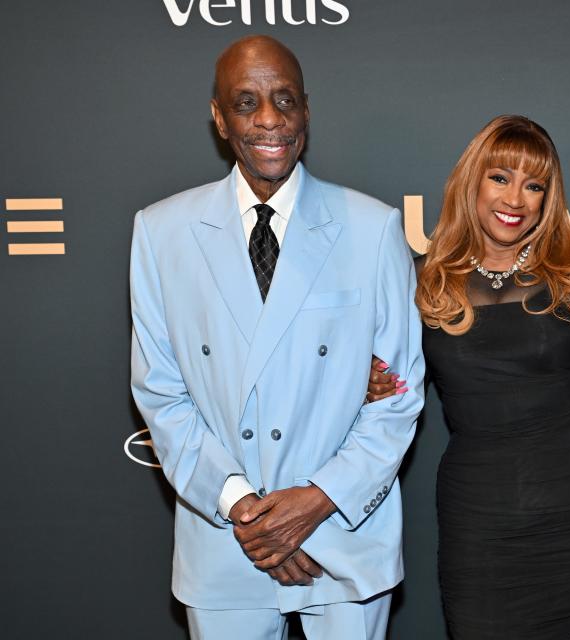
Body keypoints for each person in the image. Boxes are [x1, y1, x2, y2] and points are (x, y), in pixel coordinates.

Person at [129, 35, 424, 639]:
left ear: (307, 110)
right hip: (224, 539)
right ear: (218, 116)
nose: (269, 119)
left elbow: (396, 395)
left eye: (284, 100)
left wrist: (315, 501)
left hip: (342, 533)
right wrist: (247, 509)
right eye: (246, 102)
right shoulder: (161, 233)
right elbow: (162, 393)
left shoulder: (372, 229)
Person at [367, 115, 570, 639]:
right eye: (501, 177)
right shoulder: (424, 279)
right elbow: (393, 387)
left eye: (534, 185)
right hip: (479, 522)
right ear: (473, 181)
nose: (516, 199)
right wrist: (371, 381)